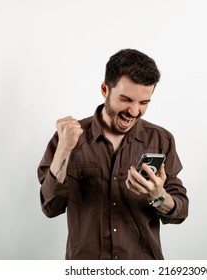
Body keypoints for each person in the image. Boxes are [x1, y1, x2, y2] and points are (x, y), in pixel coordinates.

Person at [37, 48, 189, 260]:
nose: (134, 111)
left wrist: (158, 196)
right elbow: (50, 207)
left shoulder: (160, 140)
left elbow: (180, 212)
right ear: (105, 89)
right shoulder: (67, 138)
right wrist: (64, 149)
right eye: (126, 99)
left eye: (144, 103)